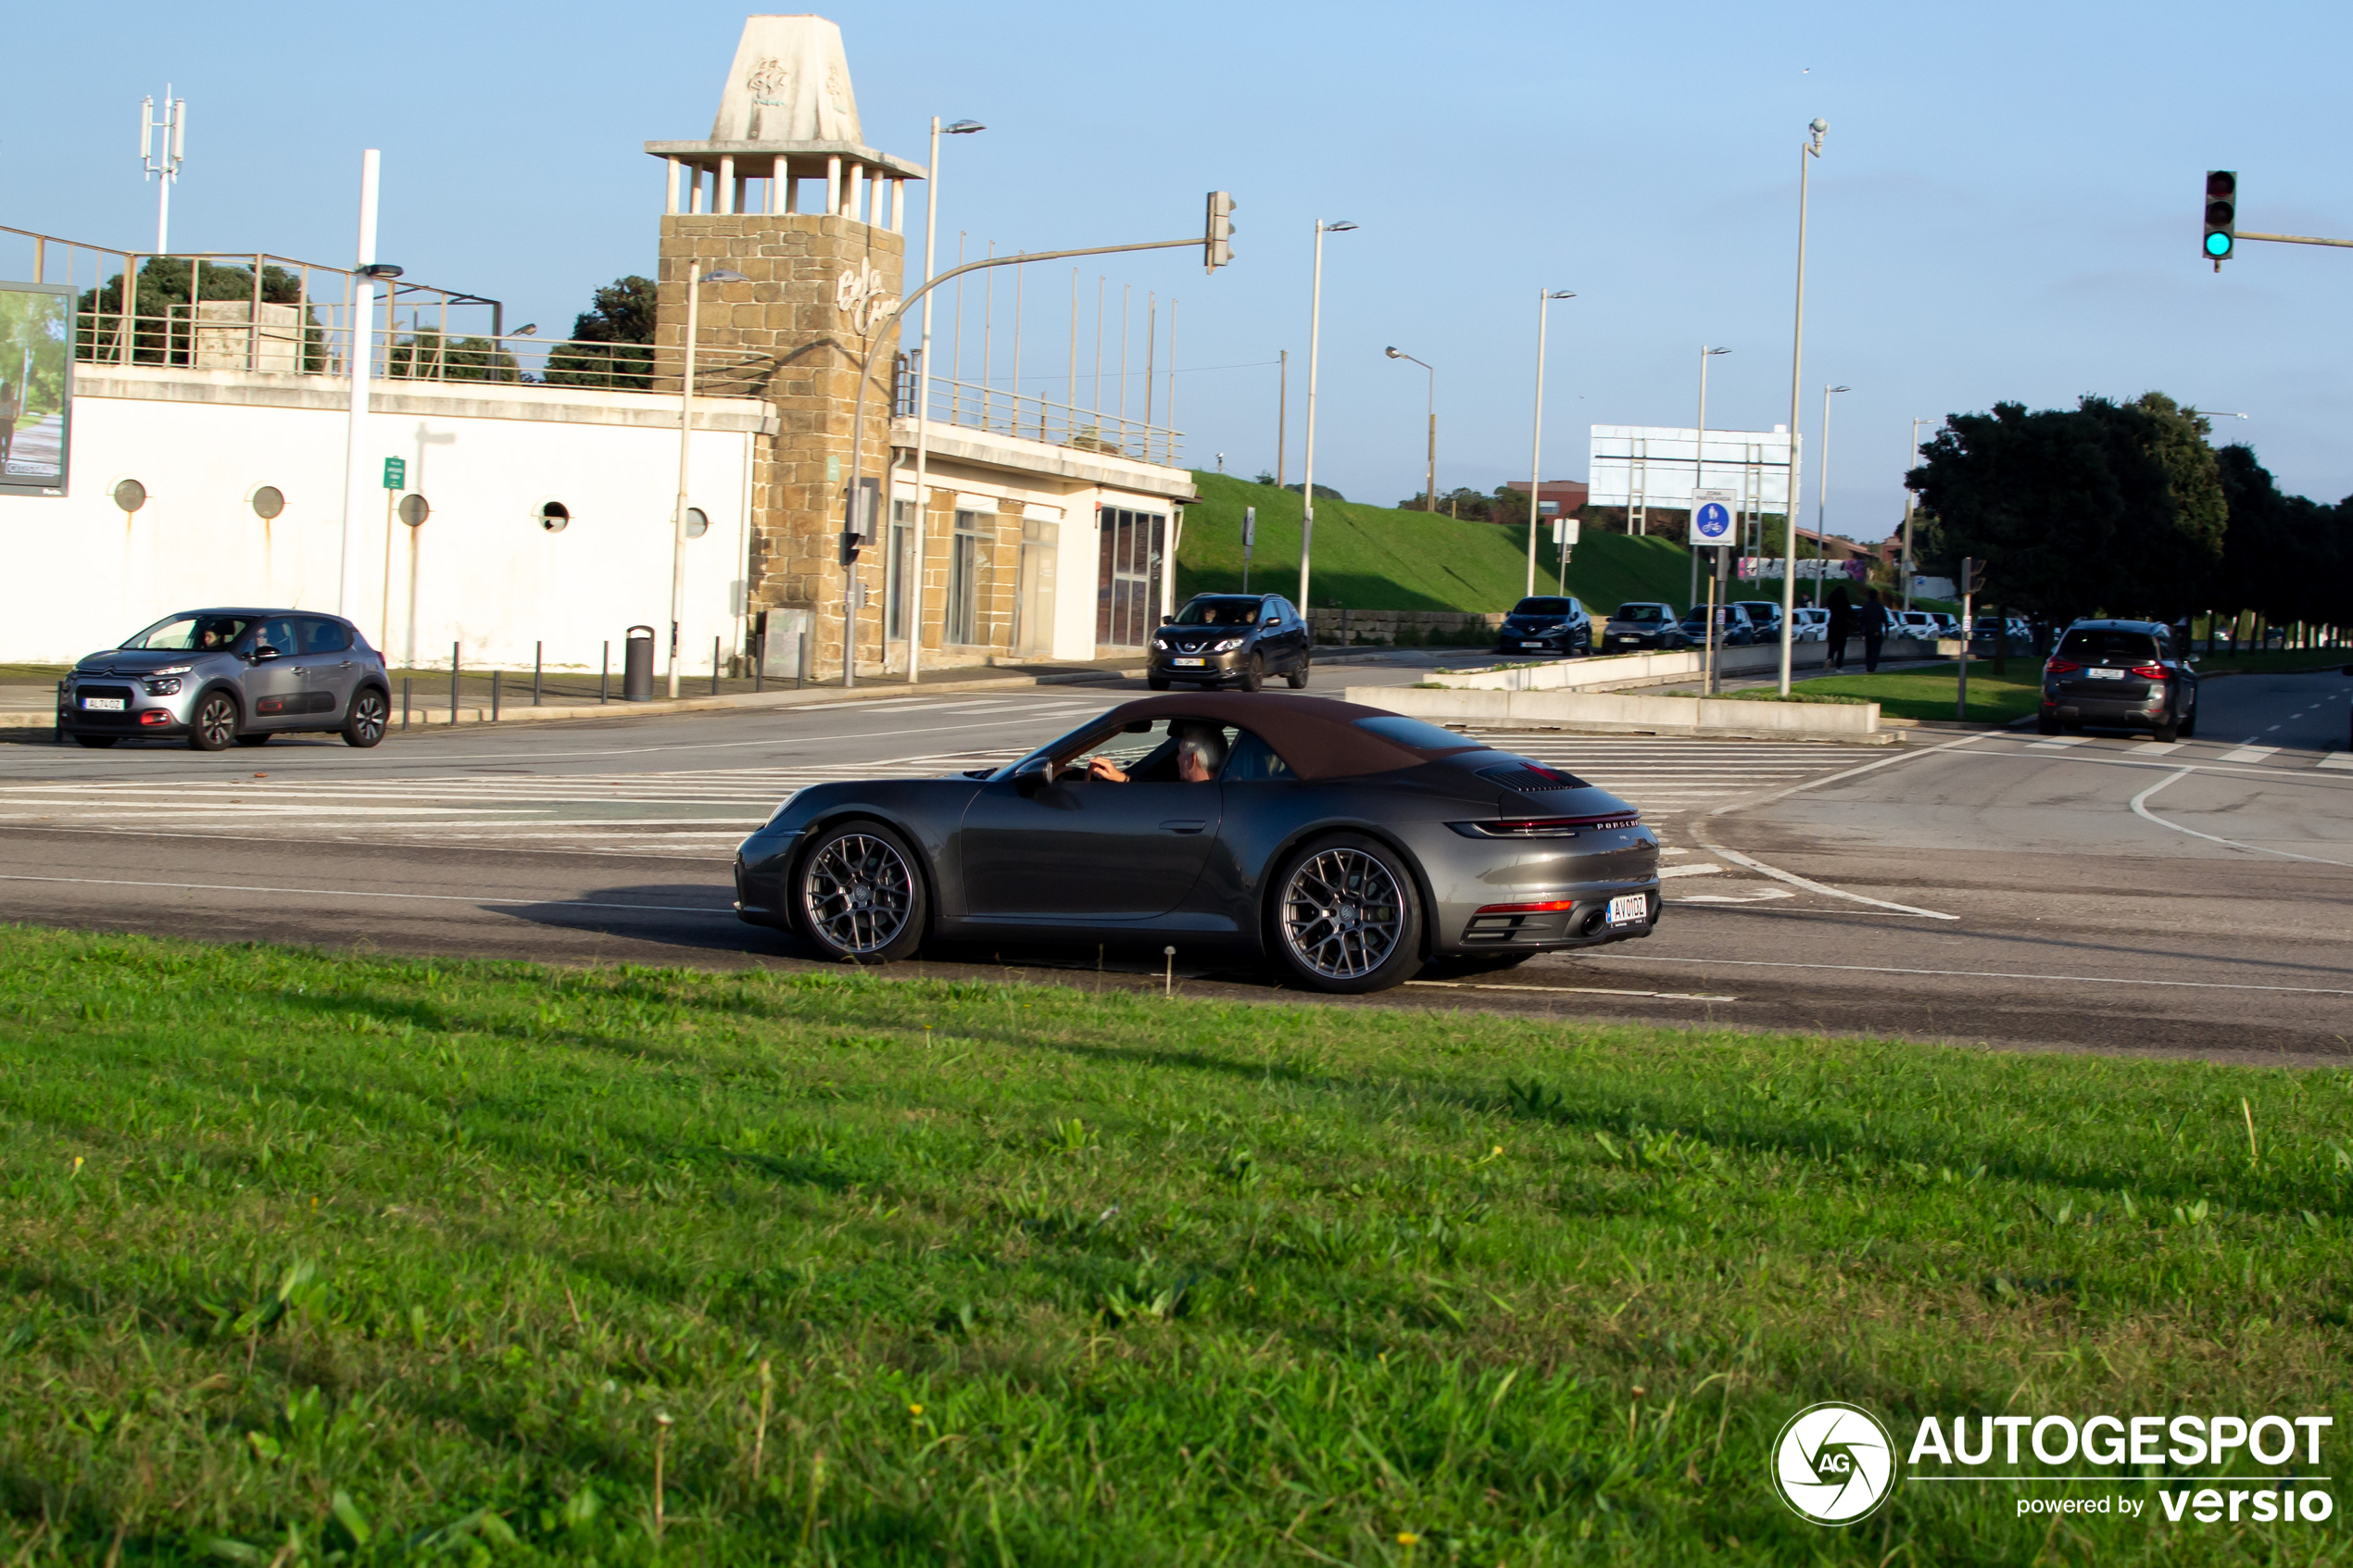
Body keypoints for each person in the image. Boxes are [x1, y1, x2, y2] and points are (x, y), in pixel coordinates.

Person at [1087, 723, 1225, 784]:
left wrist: (1123, 779)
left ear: (1192, 759)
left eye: (1180, 752)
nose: (1177, 759)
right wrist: (1122, 778)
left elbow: (1156, 795)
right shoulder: (1222, 790)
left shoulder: (1189, 796)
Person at [1824, 585, 1854, 671]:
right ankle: (1838, 667)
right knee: (1841, 648)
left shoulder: (1831, 601)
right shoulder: (1845, 602)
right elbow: (1851, 614)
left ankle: (1830, 658)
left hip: (1832, 624)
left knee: (1832, 646)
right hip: (1842, 626)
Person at [1860, 588, 1889, 674]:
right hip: (1877, 630)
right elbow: (1885, 619)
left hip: (1868, 631)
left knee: (1868, 648)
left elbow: (1862, 620)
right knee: (1875, 649)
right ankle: (1872, 665)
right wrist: (1887, 630)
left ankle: (1868, 664)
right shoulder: (1880, 606)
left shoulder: (1866, 606)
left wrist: (1861, 632)